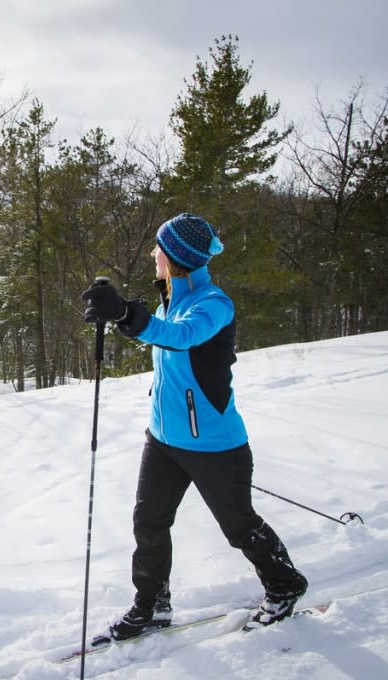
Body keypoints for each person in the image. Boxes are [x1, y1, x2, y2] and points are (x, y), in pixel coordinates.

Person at [80, 212, 307, 643]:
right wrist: (122, 312)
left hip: (215, 446)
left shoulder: (213, 304)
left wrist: (127, 314)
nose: (152, 253)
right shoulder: (171, 297)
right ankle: (151, 606)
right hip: (164, 440)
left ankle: (285, 585)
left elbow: (181, 337)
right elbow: (165, 333)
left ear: (176, 256)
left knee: (239, 527)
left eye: (158, 248)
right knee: (148, 523)